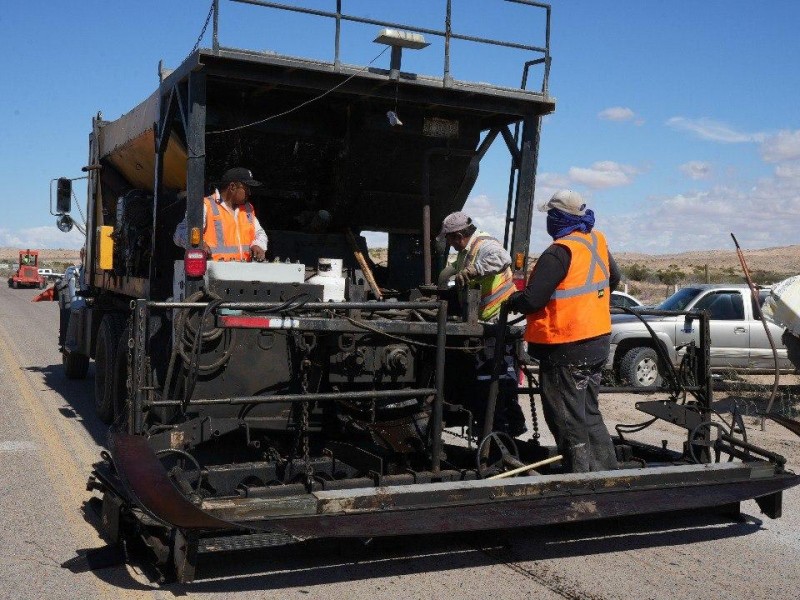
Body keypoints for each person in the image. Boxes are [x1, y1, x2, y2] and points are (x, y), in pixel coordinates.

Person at [506, 190, 620, 472]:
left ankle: (578, 480)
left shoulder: (559, 252)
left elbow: (533, 299)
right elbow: (613, 279)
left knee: (566, 418)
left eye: (550, 216)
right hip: (597, 341)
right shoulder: (597, 242)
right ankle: (607, 475)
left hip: (565, 347)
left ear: (558, 218)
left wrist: (512, 300)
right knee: (588, 413)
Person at [437, 211, 525, 436]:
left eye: (448, 238)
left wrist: (474, 269)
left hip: (497, 321)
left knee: (496, 376)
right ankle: (495, 424)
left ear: (458, 235)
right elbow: (453, 275)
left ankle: (504, 426)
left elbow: (502, 258)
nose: (448, 242)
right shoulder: (465, 252)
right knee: (487, 376)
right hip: (486, 322)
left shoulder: (484, 244)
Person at [174, 167, 268, 262]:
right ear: (232, 187)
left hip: (243, 273)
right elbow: (180, 233)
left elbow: (260, 233)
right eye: (246, 188)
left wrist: (258, 245)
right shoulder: (206, 206)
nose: (249, 193)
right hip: (212, 273)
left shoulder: (248, 209)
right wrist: (198, 244)